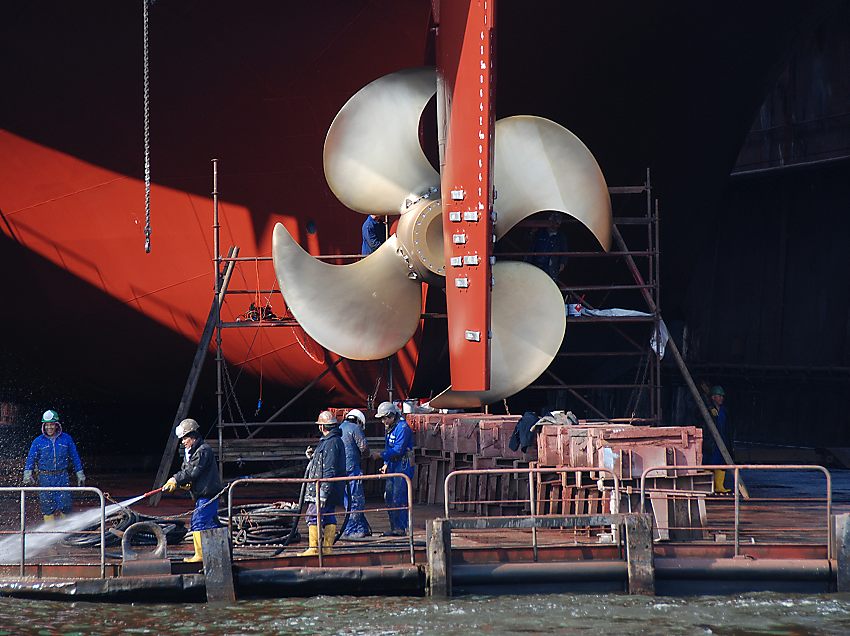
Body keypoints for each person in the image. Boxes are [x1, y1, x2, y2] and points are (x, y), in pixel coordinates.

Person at [161, 418, 223, 563]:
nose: (183, 442)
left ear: (193, 436)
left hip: (208, 495)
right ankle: (221, 551)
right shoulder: (191, 452)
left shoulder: (203, 451)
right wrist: (185, 484)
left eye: (185, 438)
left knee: (198, 521)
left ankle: (200, 555)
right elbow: (188, 471)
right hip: (203, 494)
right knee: (213, 524)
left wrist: (175, 479)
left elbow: (193, 472)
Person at [23, 409, 85, 523]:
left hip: (62, 476)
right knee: (47, 506)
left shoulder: (66, 439)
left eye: (52, 424)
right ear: (43, 425)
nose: (49, 427)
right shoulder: (38, 441)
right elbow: (31, 458)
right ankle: (51, 534)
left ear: (57, 425)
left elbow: (74, 456)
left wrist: (79, 472)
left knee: (65, 504)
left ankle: (66, 534)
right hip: (45, 477)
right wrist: (28, 472)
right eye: (47, 425)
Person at [300, 410, 347, 556]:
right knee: (328, 515)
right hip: (328, 488)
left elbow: (329, 469)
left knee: (313, 515)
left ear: (322, 426)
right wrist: (313, 457)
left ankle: (314, 548)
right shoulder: (329, 441)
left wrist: (323, 493)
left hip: (322, 488)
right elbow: (324, 463)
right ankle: (327, 549)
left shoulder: (331, 443)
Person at [374, 401, 414, 536]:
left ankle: (401, 528)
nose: (383, 421)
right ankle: (394, 527)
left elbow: (398, 449)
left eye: (384, 418)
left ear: (391, 415)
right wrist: (385, 462)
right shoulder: (391, 427)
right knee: (389, 497)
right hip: (392, 465)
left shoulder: (402, 428)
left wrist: (381, 455)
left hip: (402, 465)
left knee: (399, 497)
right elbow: (389, 447)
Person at [339, 408, 372, 538]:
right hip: (352, 470)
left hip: (340, 471)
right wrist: (367, 456)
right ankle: (351, 530)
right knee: (356, 500)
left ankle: (362, 527)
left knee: (348, 501)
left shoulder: (340, 427)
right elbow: (364, 448)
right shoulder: (355, 428)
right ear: (359, 421)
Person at [706, 386, 733, 494]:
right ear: (713, 397)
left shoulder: (724, 411)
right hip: (711, 442)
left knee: (721, 462)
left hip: (722, 440)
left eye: (722, 396)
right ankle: (708, 486)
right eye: (719, 396)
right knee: (709, 462)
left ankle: (719, 486)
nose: (721, 398)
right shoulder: (707, 409)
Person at [528, 212, 568, 281]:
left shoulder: (561, 237)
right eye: (552, 222)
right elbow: (529, 242)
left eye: (556, 223)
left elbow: (564, 251)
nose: (553, 225)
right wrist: (532, 232)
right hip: (535, 265)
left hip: (550, 267)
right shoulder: (539, 232)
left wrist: (563, 263)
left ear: (559, 225)